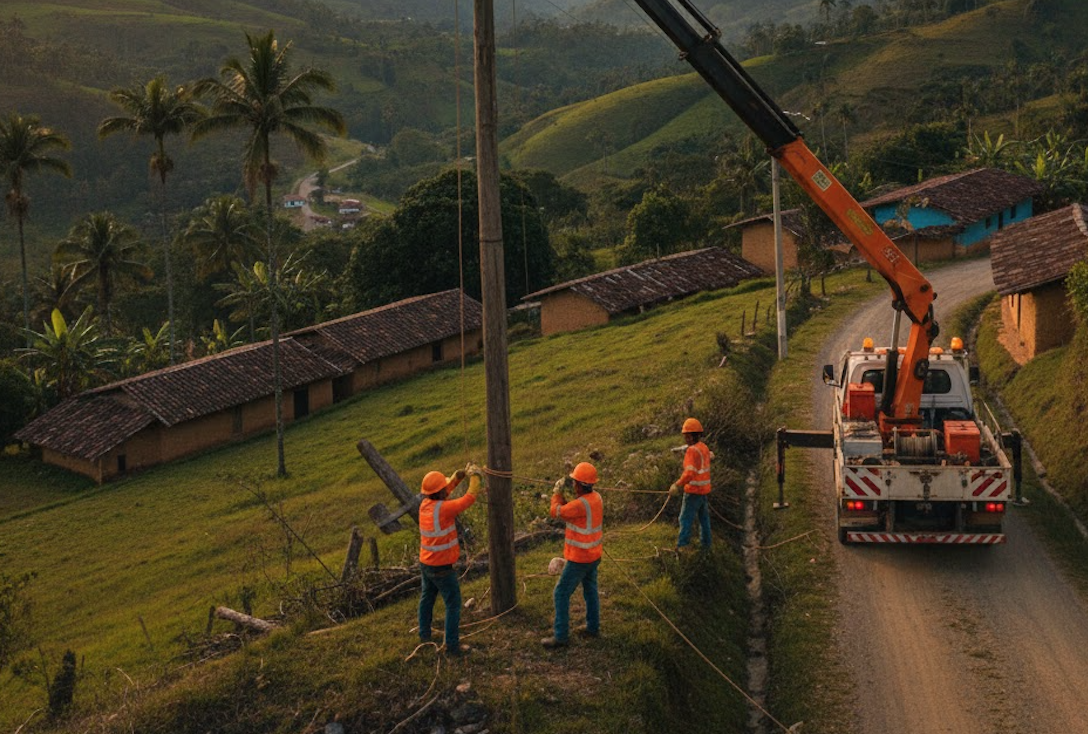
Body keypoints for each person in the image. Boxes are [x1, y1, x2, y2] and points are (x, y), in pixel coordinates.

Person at [418, 463, 483, 656]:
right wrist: (475, 477)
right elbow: (468, 499)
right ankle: (452, 646)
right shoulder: (444, 509)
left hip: (426, 563)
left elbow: (442, 492)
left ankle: (424, 634)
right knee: (453, 604)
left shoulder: (424, 506)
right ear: (440, 493)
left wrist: (457, 478)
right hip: (442, 566)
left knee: (427, 598)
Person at [542, 461, 603, 649]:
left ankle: (561, 636)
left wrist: (556, 494)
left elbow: (556, 512)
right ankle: (593, 627)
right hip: (594, 555)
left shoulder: (580, 505)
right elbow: (575, 511)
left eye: (574, 482)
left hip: (580, 559)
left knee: (561, 593)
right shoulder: (596, 498)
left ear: (578, 484)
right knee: (590, 590)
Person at [670, 417, 712, 550]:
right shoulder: (703, 447)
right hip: (703, 491)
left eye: (686, 436)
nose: (685, 439)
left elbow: (689, 473)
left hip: (693, 492)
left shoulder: (691, 451)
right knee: (704, 520)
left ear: (690, 436)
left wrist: (677, 484)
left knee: (685, 519)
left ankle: (682, 545)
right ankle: (706, 545)